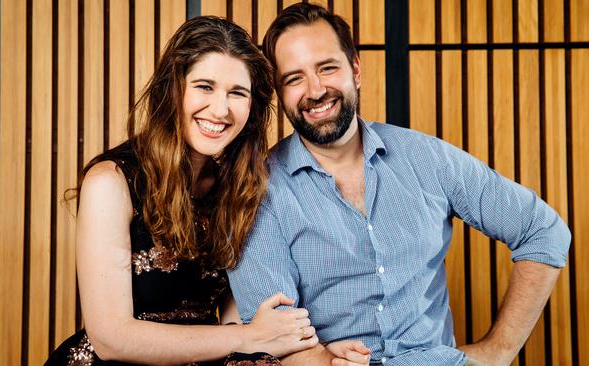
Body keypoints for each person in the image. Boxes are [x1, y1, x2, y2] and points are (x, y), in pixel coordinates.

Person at [227, 3, 572, 366]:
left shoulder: (425, 157)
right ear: (280, 93)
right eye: (293, 78)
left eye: (327, 68)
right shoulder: (257, 189)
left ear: (355, 71)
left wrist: (498, 352)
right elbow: (273, 337)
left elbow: (543, 231)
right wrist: (323, 358)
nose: (315, 90)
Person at [45, 16, 327, 366]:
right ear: (172, 88)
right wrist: (248, 336)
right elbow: (111, 338)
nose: (220, 109)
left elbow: (233, 313)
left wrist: (323, 356)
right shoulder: (111, 182)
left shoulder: (238, 185)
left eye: (237, 93)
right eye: (205, 87)